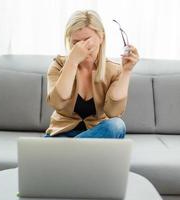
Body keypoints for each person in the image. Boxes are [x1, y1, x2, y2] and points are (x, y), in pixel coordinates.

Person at [44, 10, 139, 138]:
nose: (82, 47)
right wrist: (72, 62)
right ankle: (73, 153)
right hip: (62, 134)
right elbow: (58, 103)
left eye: (87, 39)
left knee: (117, 126)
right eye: (75, 42)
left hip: (96, 135)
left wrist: (126, 72)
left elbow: (113, 112)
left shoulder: (113, 69)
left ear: (101, 37)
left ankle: (66, 153)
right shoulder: (58, 65)